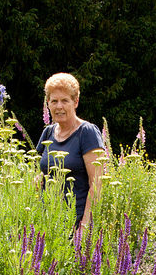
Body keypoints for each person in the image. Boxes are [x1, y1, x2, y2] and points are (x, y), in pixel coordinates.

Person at [36, 73, 105, 230]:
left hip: (76, 222)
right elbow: (42, 169)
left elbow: (97, 184)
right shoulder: (48, 133)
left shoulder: (87, 133)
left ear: (76, 102)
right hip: (48, 221)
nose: (59, 106)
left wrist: (85, 226)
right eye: (54, 101)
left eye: (64, 100)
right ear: (48, 104)